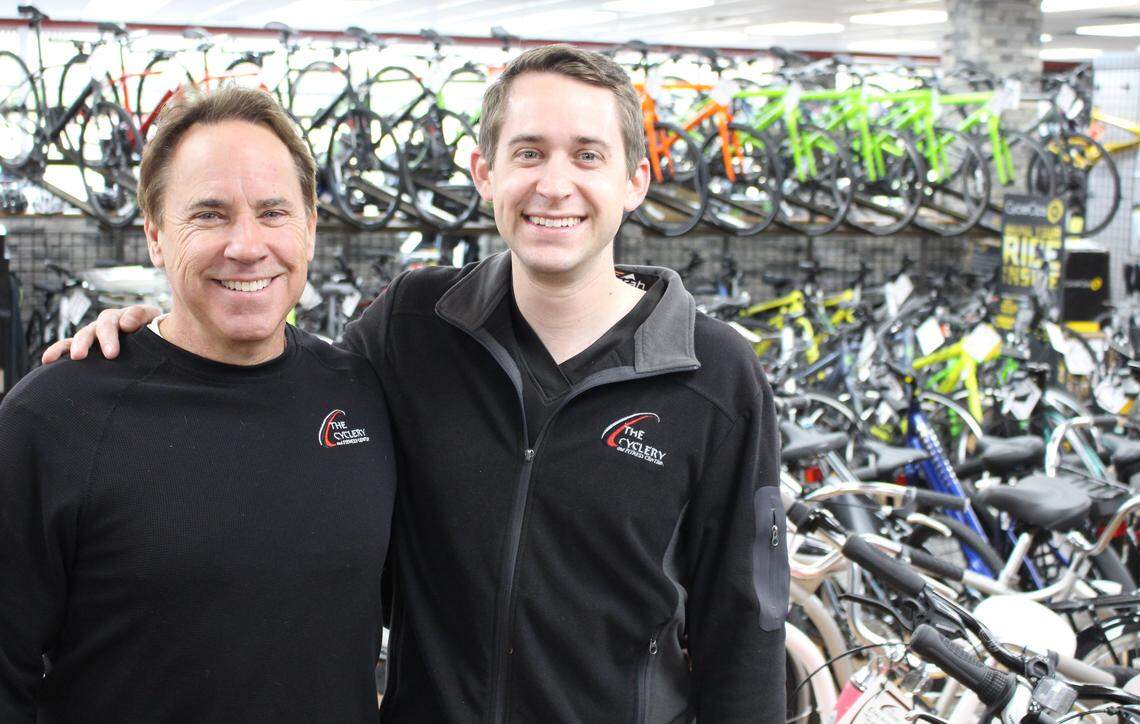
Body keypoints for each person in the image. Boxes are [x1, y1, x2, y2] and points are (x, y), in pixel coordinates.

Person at [47, 45, 788, 722]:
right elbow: (283, 381)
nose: (554, 184)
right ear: (484, 173)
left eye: (587, 155)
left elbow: (745, 632)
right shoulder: (414, 326)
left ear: (635, 181)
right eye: (527, 152)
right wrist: (161, 335)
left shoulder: (715, 378)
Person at [4, 87, 396, 722]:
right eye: (209, 215)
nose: (246, 245)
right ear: (156, 236)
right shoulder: (54, 418)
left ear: (311, 228)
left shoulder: (363, 396)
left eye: (273, 212)